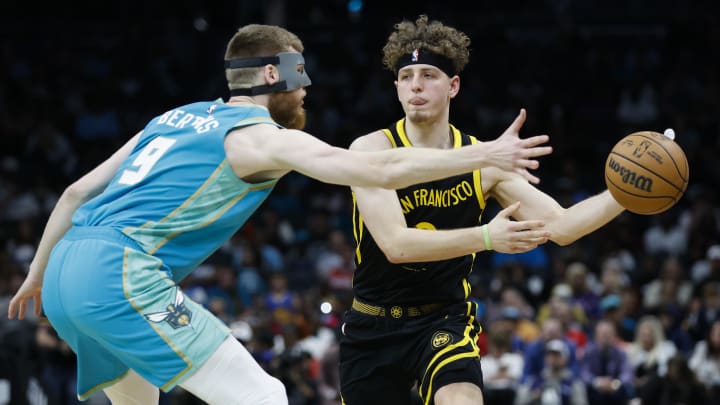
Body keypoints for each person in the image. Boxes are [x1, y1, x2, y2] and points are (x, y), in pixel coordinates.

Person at [5, 23, 552, 405]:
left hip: (62, 273)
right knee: (264, 397)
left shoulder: (175, 116)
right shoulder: (262, 138)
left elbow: (76, 192)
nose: (309, 85)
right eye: (301, 73)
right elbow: (377, 172)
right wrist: (484, 153)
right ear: (273, 75)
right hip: (117, 275)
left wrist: (37, 275)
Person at [339, 15, 626, 405]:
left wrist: (624, 195)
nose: (416, 85)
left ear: (453, 85)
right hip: (372, 323)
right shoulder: (371, 151)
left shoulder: (485, 163)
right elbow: (396, 245)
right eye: (406, 76)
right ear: (396, 88)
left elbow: (561, 226)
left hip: (442, 319)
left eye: (428, 74)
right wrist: (488, 237)